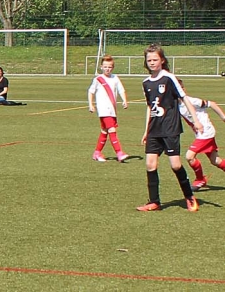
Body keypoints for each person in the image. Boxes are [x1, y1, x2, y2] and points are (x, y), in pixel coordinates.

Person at [137, 44, 202, 212]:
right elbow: (150, 107)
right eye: (149, 60)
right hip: (154, 129)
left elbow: (184, 98)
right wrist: (146, 130)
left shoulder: (169, 78)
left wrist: (196, 120)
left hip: (170, 128)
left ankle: (189, 196)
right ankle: (154, 202)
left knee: (175, 165)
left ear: (162, 60)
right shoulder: (145, 83)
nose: (152, 62)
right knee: (150, 164)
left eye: (155, 59)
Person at [177, 89, 225, 189]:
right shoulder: (175, 104)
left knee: (189, 156)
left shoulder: (192, 101)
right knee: (215, 160)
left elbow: (212, 104)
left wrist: (223, 117)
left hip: (206, 132)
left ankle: (200, 179)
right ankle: (200, 180)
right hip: (200, 134)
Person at [87, 55, 129, 162]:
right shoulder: (98, 79)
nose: (107, 69)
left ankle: (97, 153)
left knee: (104, 131)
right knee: (112, 129)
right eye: (105, 67)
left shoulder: (115, 78)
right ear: (101, 67)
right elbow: (91, 91)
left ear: (113, 67)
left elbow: (121, 90)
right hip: (103, 110)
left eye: (109, 67)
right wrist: (91, 104)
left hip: (112, 110)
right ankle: (119, 153)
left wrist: (124, 100)